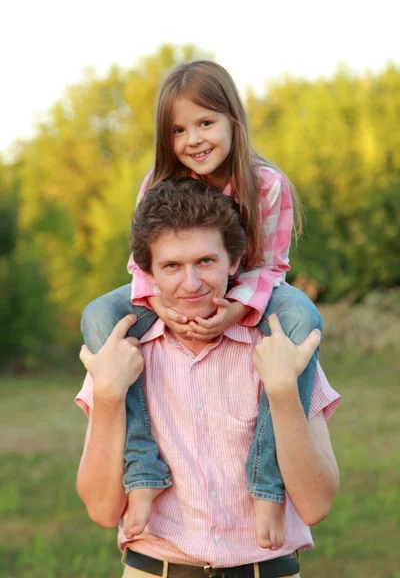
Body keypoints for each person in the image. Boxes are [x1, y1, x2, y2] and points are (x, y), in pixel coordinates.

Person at [80, 60, 323, 549]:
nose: (193, 138)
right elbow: (142, 265)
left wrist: (236, 310)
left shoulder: (268, 185)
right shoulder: (157, 182)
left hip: (250, 292)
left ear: (233, 119)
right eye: (178, 129)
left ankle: (267, 485)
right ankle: (143, 468)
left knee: (302, 315)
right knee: (100, 315)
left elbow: (272, 267)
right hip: (167, 298)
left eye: (205, 122)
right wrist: (161, 307)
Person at [76, 178, 340, 578]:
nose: (191, 283)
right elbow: (101, 509)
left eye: (205, 261)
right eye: (171, 266)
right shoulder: (122, 352)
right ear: (148, 272)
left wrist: (283, 391)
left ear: (233, 261)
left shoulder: (281, 346)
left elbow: (317, 504)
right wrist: (110, 393)